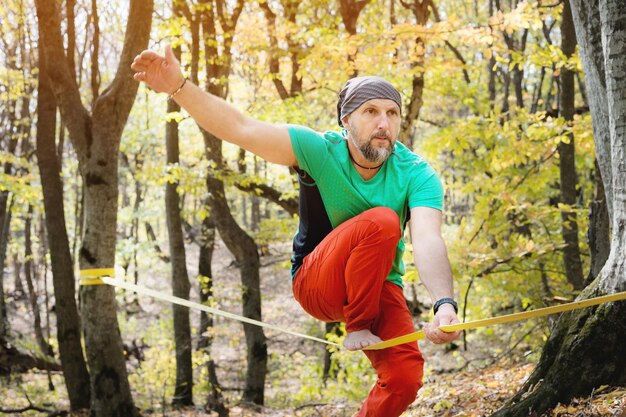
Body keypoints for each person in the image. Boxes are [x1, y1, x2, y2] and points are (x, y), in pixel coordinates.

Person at [132, 45, 460, 417]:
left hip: (379, 286)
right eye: (370, 112)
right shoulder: (319, 150)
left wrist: (444, 305)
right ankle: (357, 324)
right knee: (383, 220)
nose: (383, 124)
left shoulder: (416, 172)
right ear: (346, 121)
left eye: (392, 113)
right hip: (319, 282)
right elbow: (241, 128)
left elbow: (429, 239)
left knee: (405, 376)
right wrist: (179, 87)